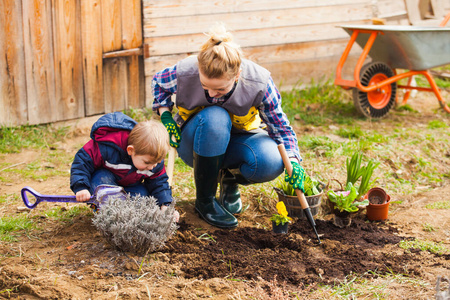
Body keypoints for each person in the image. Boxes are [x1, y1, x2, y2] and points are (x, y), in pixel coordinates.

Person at [152, 23, 304, 228]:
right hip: (194, 144)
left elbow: (280, 128)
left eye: (220, 89)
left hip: (238, 141)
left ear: (237, 76)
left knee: (271, 161)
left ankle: (229, 179)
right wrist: (166, 116)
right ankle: (205, 200)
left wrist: (293, 161)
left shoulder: (259, 82)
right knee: (215, 115)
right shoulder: (186, 72)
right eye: (205, 87)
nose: (212, 95)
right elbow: (159, 84)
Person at [70, 112, 179, 219]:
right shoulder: (107, 147)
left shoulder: (153, 162)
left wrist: (165, 205)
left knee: (145, 199)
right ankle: (108, 212)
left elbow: (159, 184)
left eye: (156, 162)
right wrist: (81, 187)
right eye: (146, 163)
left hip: (130, 186)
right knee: (100, 182)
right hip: (105, 182)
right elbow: (82, 162)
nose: (151, 167)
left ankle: (126, 214)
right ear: (131, 150)